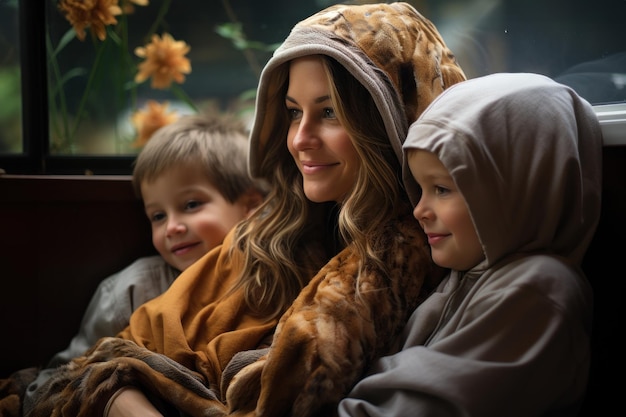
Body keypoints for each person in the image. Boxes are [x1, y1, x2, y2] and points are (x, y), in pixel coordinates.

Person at [23, 3, 466, 417]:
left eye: (329, 112)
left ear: (385, 122)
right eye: (293, 113)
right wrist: (119, 393)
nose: (299, 139)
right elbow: (116, 353)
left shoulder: (428, 248)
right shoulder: (268, 234)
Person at [336, 73, 602, 417]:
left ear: (516, 189)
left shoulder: (539, 292)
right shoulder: (463, 277)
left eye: (442, 189)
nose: (419, 210)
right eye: (420, 188)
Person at [5, 112, 268, 415]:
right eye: (158, 216)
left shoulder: (270, 283)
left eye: (191, 205)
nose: (171, 227)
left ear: (251, 205)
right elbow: (55, 383)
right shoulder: (131, 290)